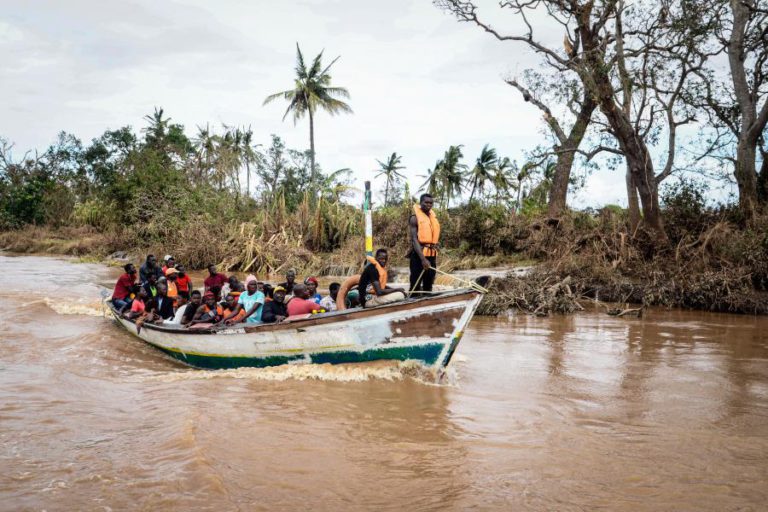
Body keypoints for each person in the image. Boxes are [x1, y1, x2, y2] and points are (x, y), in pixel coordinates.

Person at [409, 193, 440, 294]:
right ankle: (412, 305)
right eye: (426, 202)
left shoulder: (432, 218)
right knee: (415, 285)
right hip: (419, 257)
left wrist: (435, 245)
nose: (428, 205)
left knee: (429, 284)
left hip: (431, 255)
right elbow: (414, 240)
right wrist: (423, 259)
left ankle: (427, 306)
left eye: (431, 203)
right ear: (421, 202)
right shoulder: (414, 218)